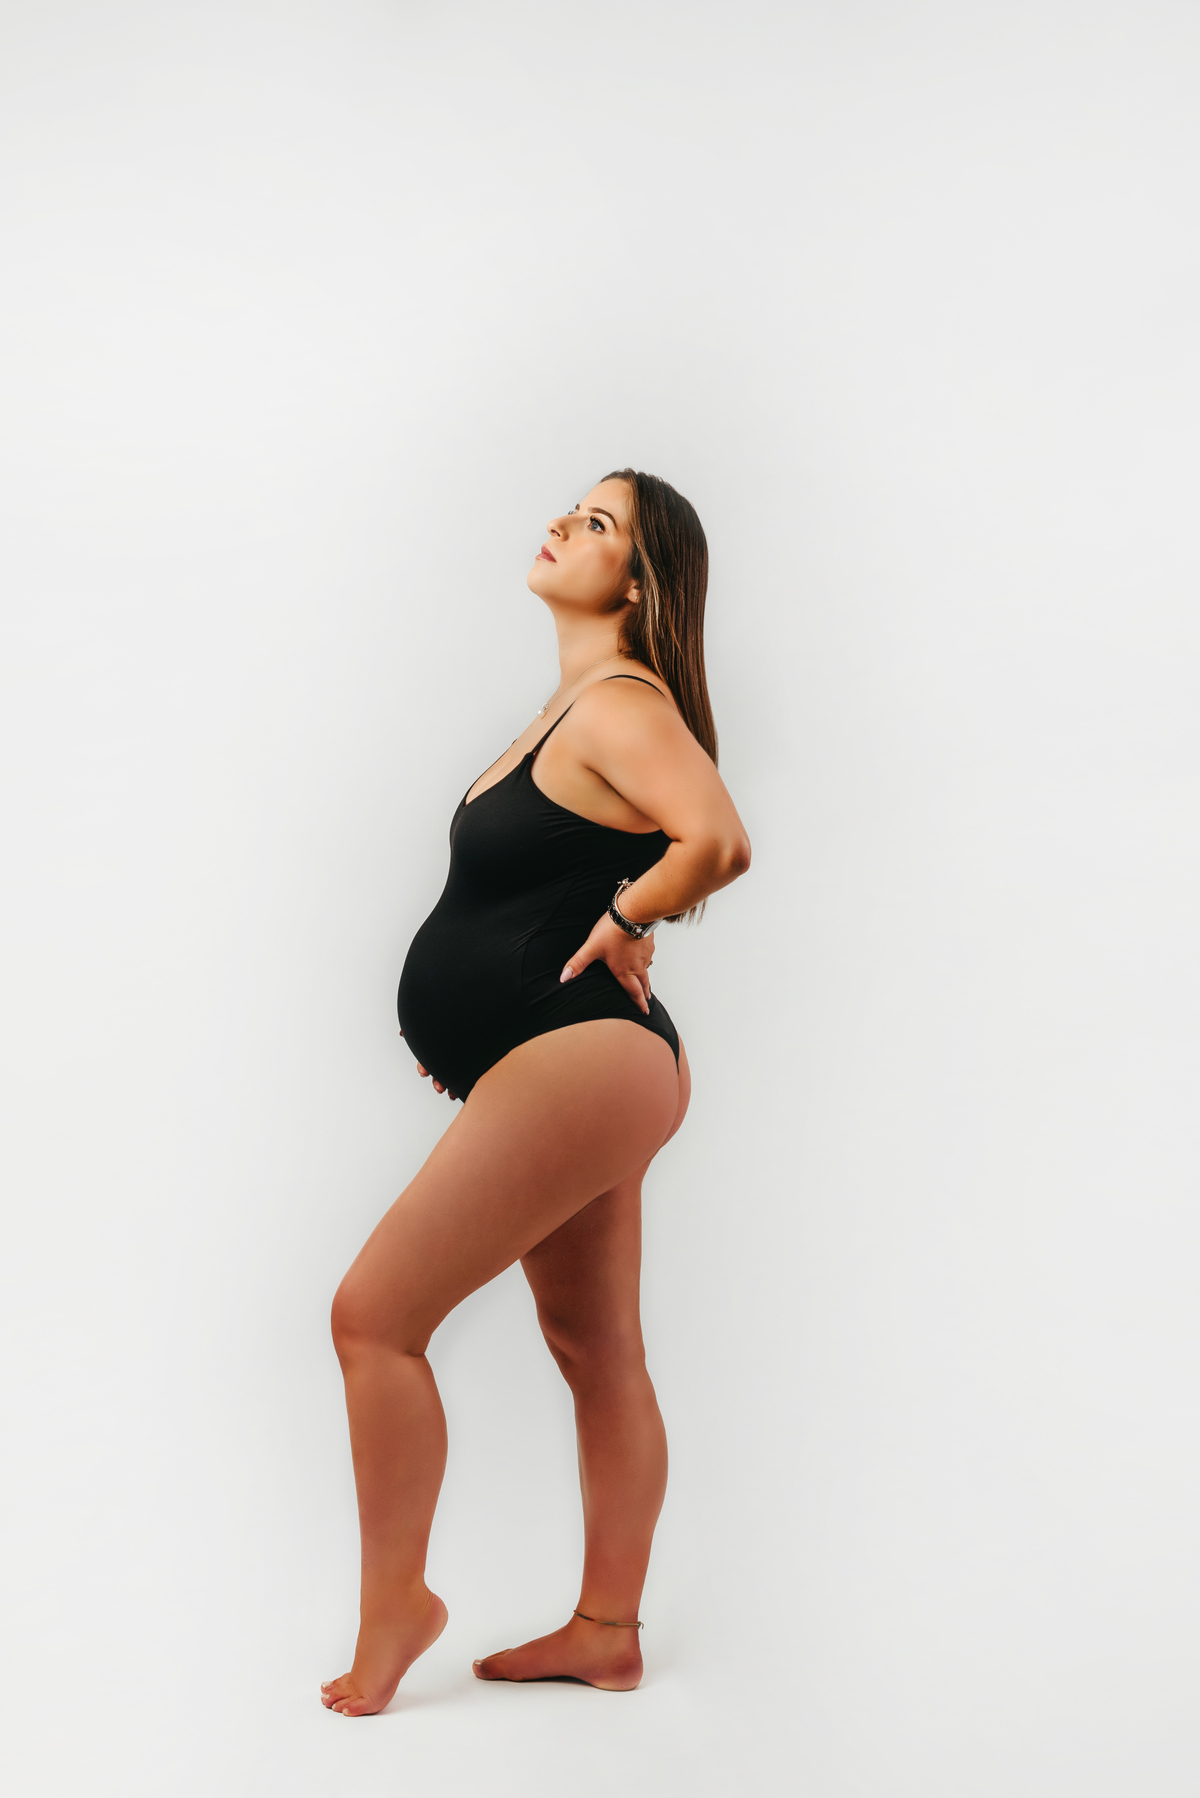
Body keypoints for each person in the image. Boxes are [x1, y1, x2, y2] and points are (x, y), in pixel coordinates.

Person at [321, 468, 751, 1716]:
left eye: (599, 523)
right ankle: (606, 1632)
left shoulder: (619, 702)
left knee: (372, 1319)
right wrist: (473, 1027)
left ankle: (398, 1606)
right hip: (567, 1058)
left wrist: (629, 912)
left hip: (590, 1054)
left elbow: (717, 838)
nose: (564, 522)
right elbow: (517, 899)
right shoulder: (570, 706)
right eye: (573, 506)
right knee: (596, 1346)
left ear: (640, 584)